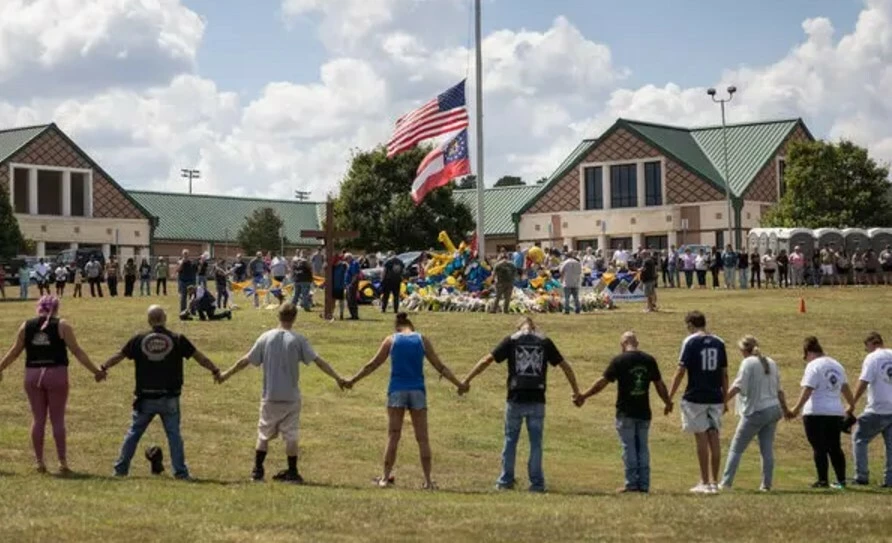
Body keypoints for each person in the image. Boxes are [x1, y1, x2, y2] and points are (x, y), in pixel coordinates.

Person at [219, 303, 347, 483]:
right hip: (290, 396)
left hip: (270, 395)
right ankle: (293, 472)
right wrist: (337, 377)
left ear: (278, 316)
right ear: (294, 317)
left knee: (263, 433)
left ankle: (257, 471)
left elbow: (245, 360)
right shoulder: (298, 340)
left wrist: (226, 374)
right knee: (291, 435)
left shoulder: (265, 337)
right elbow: (318, 361)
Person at [100, 305, 222, 479]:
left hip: (145, 396)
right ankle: (180, 472)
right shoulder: (177, 339)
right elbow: (199, 357)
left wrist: (103, 367)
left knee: (133, 433)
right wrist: (215, 370)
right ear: (165, 319)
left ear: (149, 321)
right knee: (174, 436)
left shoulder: (138, 339)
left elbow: (119, 355)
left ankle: (120, 469)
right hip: (169, 396)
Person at [461, 317, 582, 492]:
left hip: (515, 398)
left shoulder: (511, 340)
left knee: (510, 440)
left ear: (519, 327)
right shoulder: (545, 341)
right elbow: (565, 366)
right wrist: (576, 391)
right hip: (537, 398)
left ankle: (505, 480)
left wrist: (467, 380)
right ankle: (537, 483)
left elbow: (486, 360)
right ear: (534, 327)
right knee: (536, 443)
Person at [347, 312, 465, 489]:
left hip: (397, 390)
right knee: (422, 438)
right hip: (417, 390)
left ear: (397, 327)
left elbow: (372, 364)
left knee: (393, 435)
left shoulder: (391, 340)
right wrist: (459, 383)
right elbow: (439, 366)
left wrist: (352, 380)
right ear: (411, 325)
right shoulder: (421, 340)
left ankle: (385, 478)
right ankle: (427, 480)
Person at [0, 296, 106, 474]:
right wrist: (96, 371)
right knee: (57, 419)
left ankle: (40, 462)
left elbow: (14, 352)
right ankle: (62, 462)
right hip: (56, 373)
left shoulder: (26, 326)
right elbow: (77, 351)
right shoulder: (62, 325)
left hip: (32, 375)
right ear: (56, 308)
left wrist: (0, 367)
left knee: (38, 419)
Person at [575, 331, 672, 493]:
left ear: (622, 345)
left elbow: (602, 382)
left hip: (625, 412)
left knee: (629, 448)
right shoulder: (649, 360)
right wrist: (667, 402)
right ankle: (644, 484)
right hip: (644, 412)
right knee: (643, 448)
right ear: (637, 343)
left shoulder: (619, 360)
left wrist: (584, 395)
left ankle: (631, 484)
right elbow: (659, 384)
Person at [668, 311, 728, 494]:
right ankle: (714, 482)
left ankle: (704, 480)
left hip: (696, 396)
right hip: (715, 396)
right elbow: (724, 373)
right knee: (714, 436)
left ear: (690, 325)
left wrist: (669, 395)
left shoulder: (691, 341)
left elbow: (681, 370)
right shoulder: (719, 342)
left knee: (701, 437)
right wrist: (725, 398)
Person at [720, 336, 790, 491]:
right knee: (766, 449)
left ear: (744, 350)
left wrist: (722, 401)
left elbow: (737, 386)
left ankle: (726, 482)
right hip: (773, 409)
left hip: (757, 410)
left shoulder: (748, 363)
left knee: (736, 448)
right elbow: (779, 390)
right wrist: (786, 410)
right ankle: (766, 484)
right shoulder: (771, 362)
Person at [788, 336, 855, 489]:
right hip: (835, 412)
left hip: (815, 412)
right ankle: (841, 480)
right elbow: (845, 388)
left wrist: (796, 409)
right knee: (835, 447)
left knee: (819, 448)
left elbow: (808, 389)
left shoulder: (813, 366)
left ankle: (823, 480)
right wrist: (851, 405)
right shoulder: (837, 365)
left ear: (808, 352)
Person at [847, 332, 892, 487]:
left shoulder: (872, 358)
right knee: (891, 446)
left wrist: (851, 403)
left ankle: (862, 476)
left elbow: (863, 381)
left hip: (878, 408)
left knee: (859, 437)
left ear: (871, 344)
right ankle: (890, 479)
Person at [344, 253, 361, 320]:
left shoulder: (354, 263)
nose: (345, 261)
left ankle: (354, 315)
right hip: (349, 284)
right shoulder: (350, 264)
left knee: (352, 300)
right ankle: (352, 315)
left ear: (349, 258)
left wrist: (351, 283)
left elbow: (355, 275)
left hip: (352, 284)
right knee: (349, 300)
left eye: (346, 259)